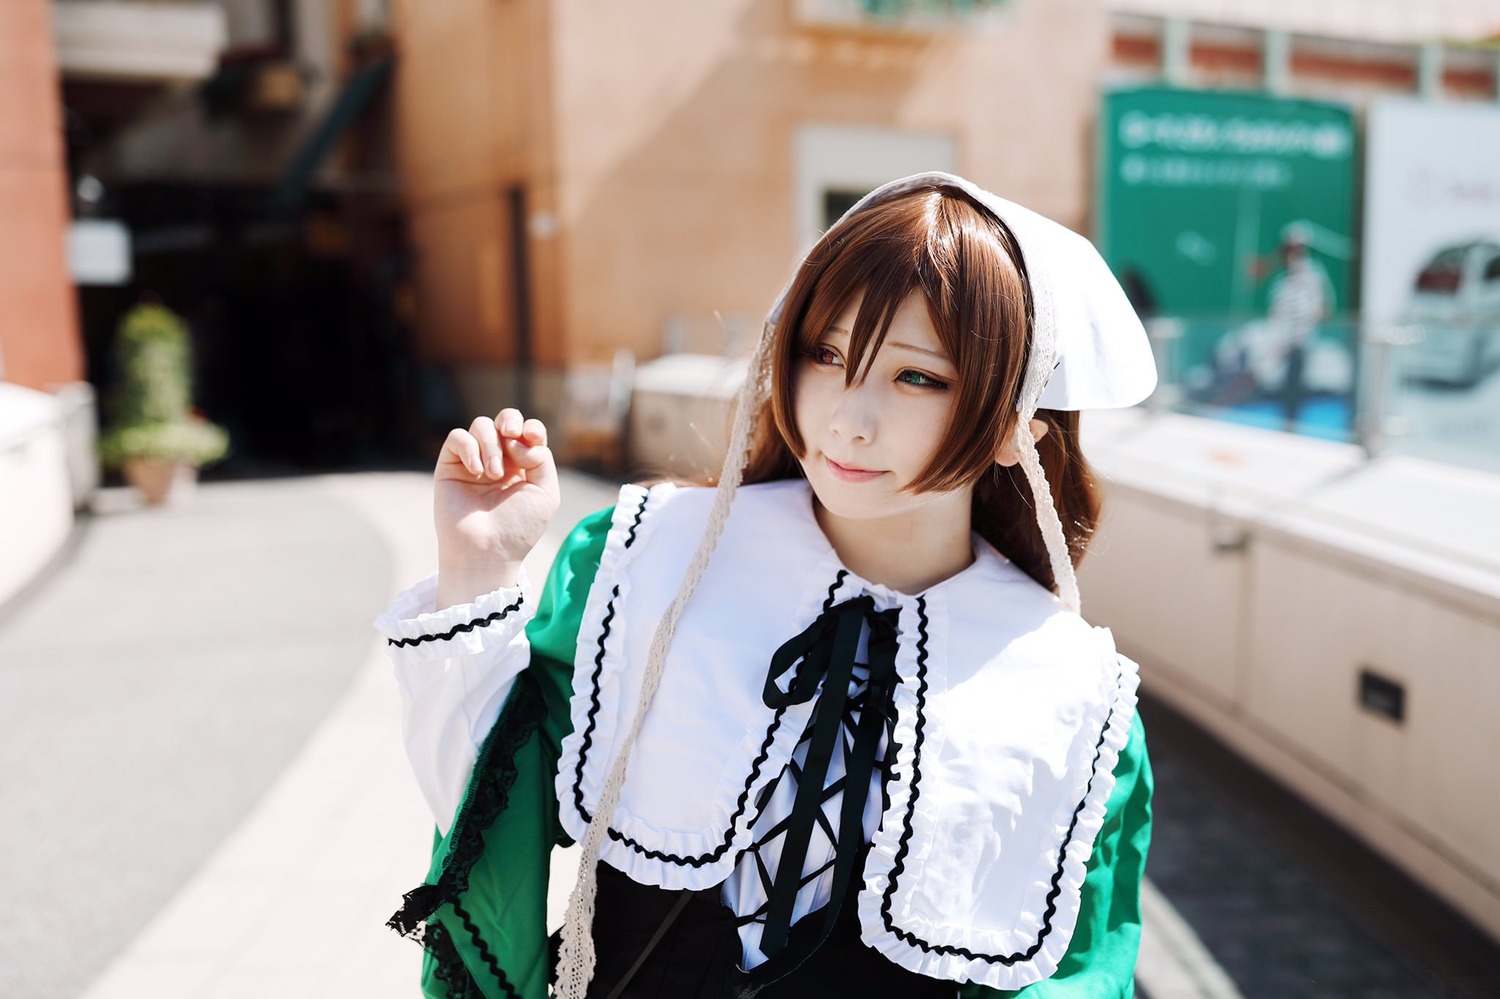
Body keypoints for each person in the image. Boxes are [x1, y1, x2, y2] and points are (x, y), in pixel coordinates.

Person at [377, 173, 1158, 999]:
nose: (847, 418)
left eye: (916, 376)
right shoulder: (653, 566)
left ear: (1015, 429)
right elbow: (492, 824)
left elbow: (1073, 978)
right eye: (826, 354)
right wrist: (477, 569)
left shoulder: (1070, 693)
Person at [1262, 226, 1333, 431]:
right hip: (1283, 344)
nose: (1293, 255)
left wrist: (1301, 332)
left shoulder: (1313, 276)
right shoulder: (1281, 283)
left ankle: (1293, 426)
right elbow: (1276, 314)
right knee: (1284, 386)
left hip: (1303, 343)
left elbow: (1322, 310)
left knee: (1297, 386)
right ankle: (1286, 425)